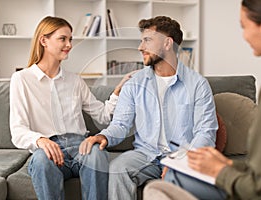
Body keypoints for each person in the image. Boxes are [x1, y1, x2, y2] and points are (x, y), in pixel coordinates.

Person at [144, 0, 261, 199]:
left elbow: (257, 188)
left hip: (253, 191)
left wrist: (219, 171)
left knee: (161, 187)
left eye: (244, 26)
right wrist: (227, 164)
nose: (244, 35)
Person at [79, 16, 218, 200]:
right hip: (145, 154)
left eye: (147, 40)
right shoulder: (134, 83)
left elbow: (206, 132)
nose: (140, 47)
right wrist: (103, 136)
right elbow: (121, 124)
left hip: (182, 156)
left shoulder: (197, 84)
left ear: (168, 43)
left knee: (175, 179)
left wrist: (180, 162)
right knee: (118, 169)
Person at [9, 16, 133, 200]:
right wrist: (41, 140)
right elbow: (18, 130)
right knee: (42, 162)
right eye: (62, 39)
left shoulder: (75, 80)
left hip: (80, 146)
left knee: (97, 154)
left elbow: (103, 116)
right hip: (47, 150)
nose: (69, 44)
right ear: (44, 41)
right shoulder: (22, 80)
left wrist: (117, 91)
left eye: (70, 39)